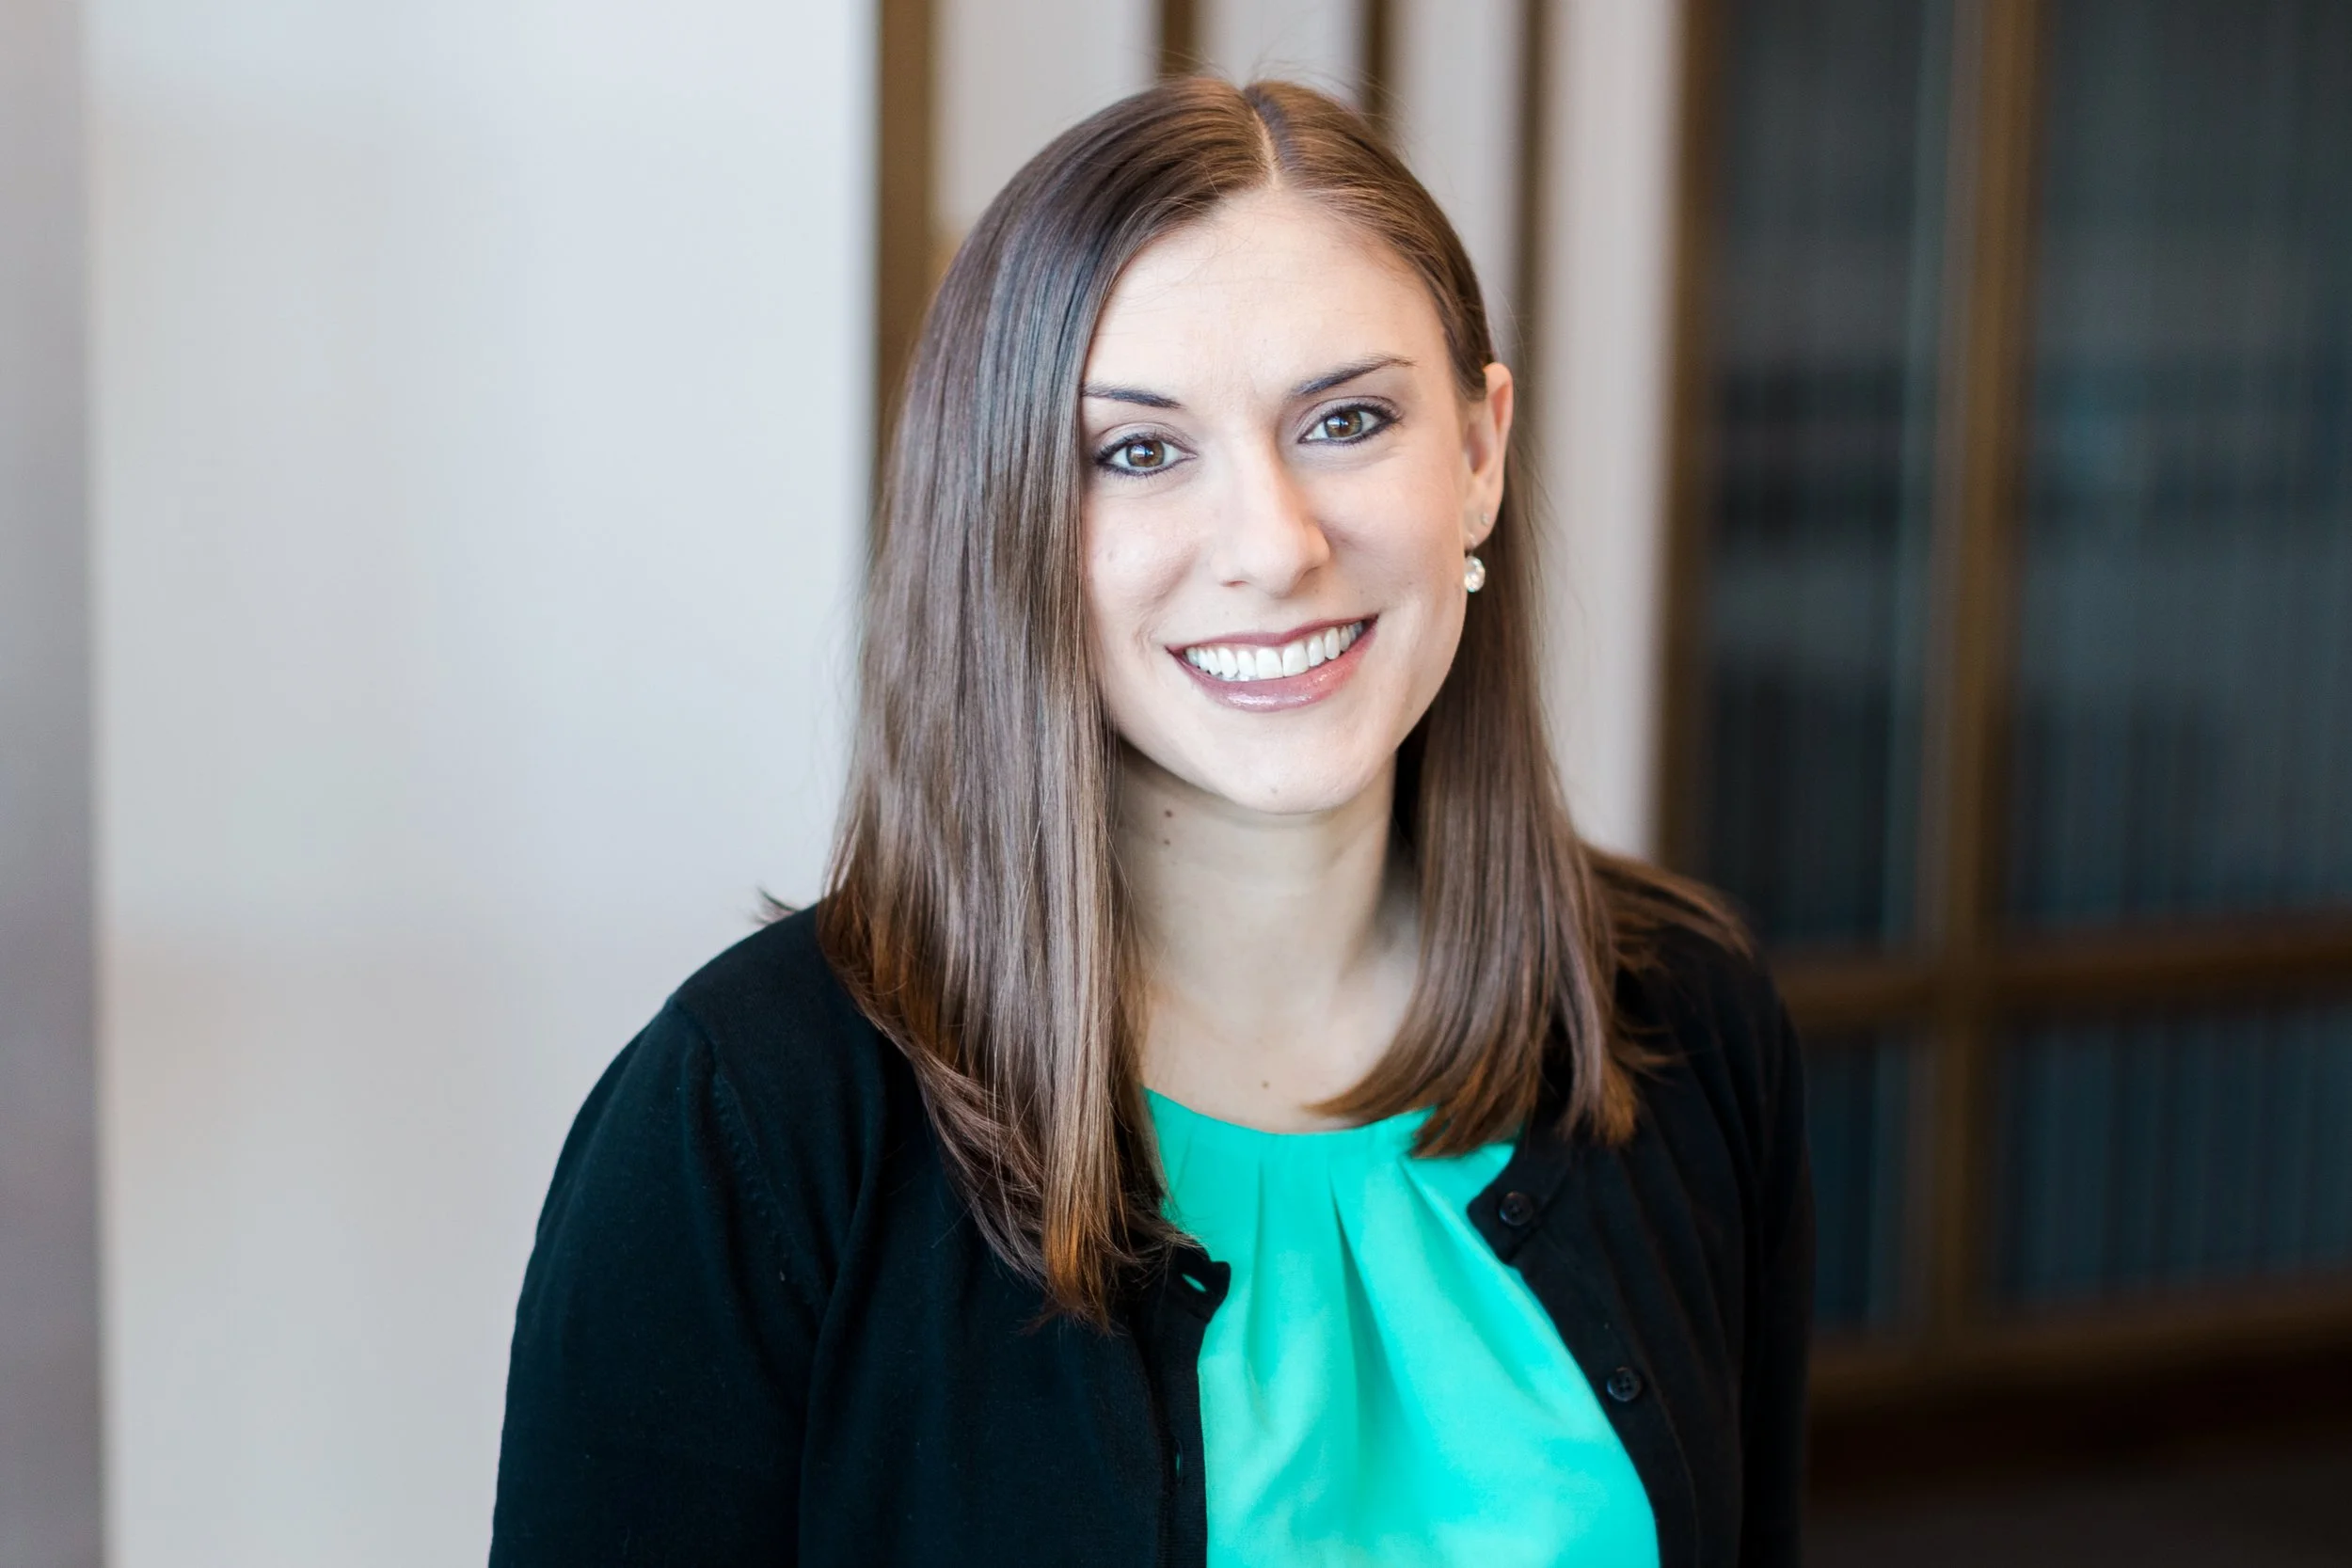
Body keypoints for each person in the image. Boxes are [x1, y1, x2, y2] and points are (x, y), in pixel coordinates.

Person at [489, 76, 1811, 1568]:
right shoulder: (746, 1120)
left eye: (1349, 420)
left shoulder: (1683, 1020)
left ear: (1481, 453)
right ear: (1007, 517)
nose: (1273, 545)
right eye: (1137, 451)